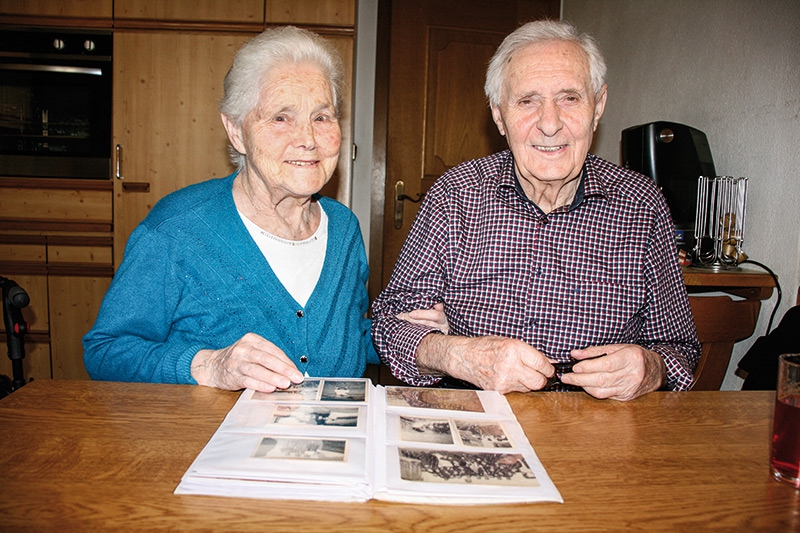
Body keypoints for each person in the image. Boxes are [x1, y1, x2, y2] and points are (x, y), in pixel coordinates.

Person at [83, 26, 445, 393]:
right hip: (214, 444)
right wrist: (209, 364)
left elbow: (343, 337)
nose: (307, 139)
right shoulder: (176, 229)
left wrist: (406, 334)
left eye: (322, 117)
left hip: (333, 442)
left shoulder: (344, 227)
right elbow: (106, 351)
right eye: (280, 118)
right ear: (237, 131)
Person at [371, 20, 700, 401]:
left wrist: (648, 368)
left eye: (570, 98)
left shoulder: (641, 204)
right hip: (476, 415)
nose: (549, 123)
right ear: (499, 116)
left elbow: (680, 348)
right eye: (527, 101)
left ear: (598, 106)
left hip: (595, 430)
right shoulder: (454, 194)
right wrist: (455, 354)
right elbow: (388, 325)